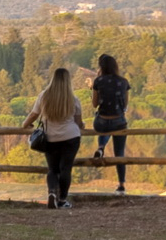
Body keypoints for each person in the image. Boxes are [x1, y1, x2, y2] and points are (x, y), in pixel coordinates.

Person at [25, 67, 83, 208]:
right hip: (71, 137)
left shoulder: (44, 96)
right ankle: (62, 200)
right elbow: (78, 122)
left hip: (50, 138)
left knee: (52, 169)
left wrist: (25, 124)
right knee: (65, 169)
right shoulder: (73, 99)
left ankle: (51, 193)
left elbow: (34, 114)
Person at [90, 53, 131, 192]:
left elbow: (94, 104)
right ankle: (121, 184)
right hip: (119, 122)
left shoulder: (98, 81)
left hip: (102, 122)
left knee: (102, 123)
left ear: (101, 67)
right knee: (119, 152)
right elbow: (125, 105)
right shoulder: (124, 82)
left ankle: (101, 147)